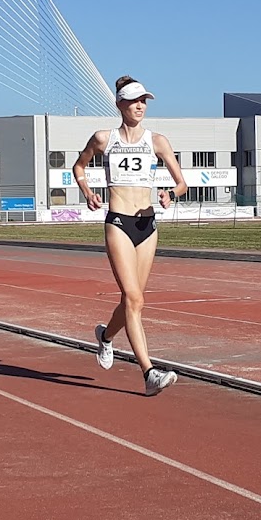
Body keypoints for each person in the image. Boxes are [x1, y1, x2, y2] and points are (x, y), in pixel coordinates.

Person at [72, 75, 187, 396]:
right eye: (134, 101)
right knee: (135, 299)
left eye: (144, 101)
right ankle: (149, 373)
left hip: (147, 226)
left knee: (132, 299)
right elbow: (78, 167)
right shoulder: (103, 139)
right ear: (120, 104)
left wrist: (170, 195)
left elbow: (182, 183)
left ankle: (106, 336)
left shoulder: (158, 141)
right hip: (119, 222)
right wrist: (86, 191)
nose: (140, 106)